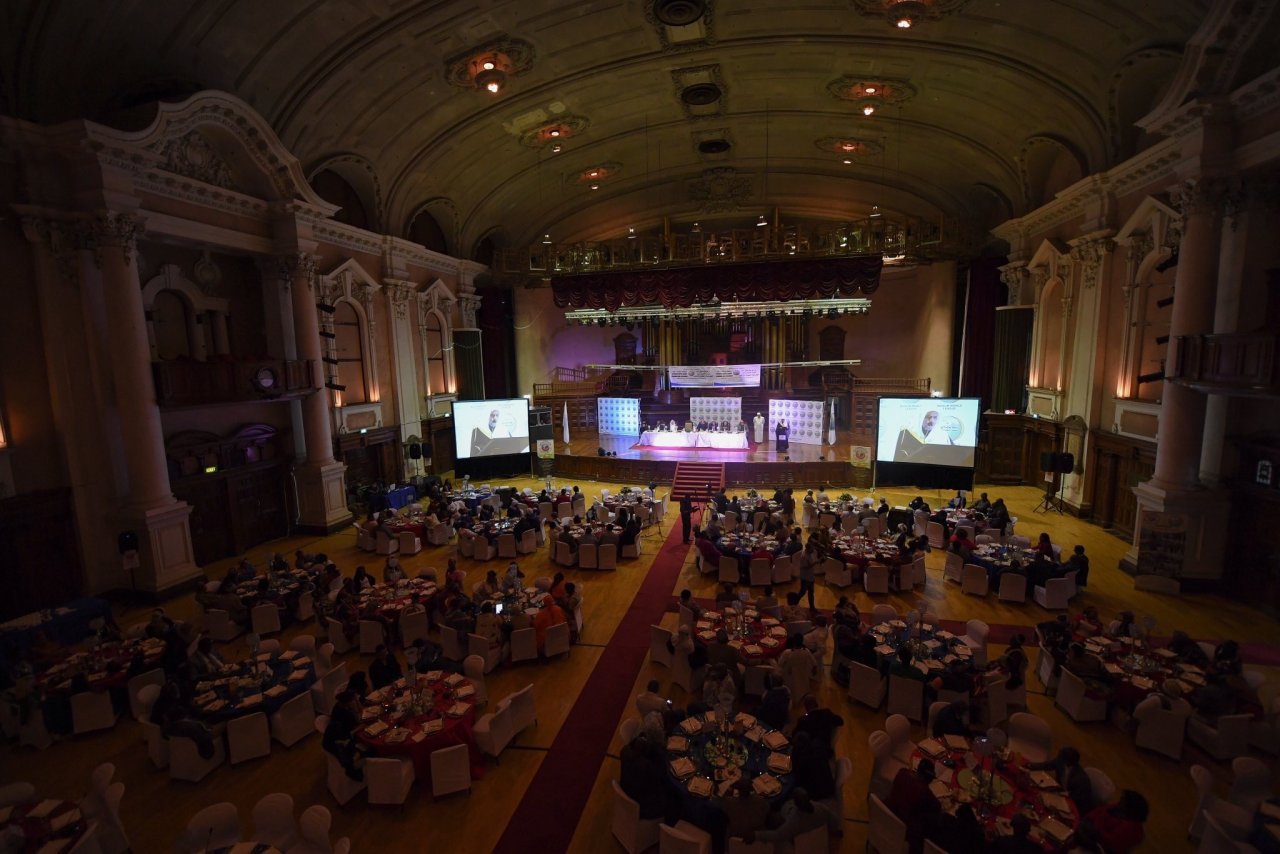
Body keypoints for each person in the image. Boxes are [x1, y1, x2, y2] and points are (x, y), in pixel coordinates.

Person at [887, 759, 942, 852]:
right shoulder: (925, 793)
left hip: (889, 811)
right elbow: (938, 807)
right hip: (904, 826)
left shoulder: (902, 772)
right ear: (929, 779)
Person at [1077, 791, 1148, 854]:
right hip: (1093, 833)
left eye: (1123, 800)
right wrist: (1088, 819)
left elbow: (1111, 842)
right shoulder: (1117, 808)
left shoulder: (1132, 829)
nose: (1120, 800)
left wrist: (1094, 830)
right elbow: (1099, 811)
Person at [1028, 747, 1094, 814]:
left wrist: (1058, 794)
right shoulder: (1061, 762)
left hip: (1075, 806)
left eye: (1060, 757)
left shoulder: (1080, 779)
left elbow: (1076, 798)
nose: (1057, 758)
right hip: (1062, 795)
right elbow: (1047, 765)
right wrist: (1030, 766)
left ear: (1068, 761)